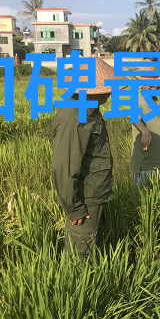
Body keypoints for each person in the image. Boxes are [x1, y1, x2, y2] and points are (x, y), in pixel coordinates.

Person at [51, 58, 121, 261]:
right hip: (85, 201)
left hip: (94, 195)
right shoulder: (76, 117)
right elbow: (63, 167)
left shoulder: (89, 110)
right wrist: (75, 209)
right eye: (107, 86)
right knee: (81, 259)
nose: (111, 91)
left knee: (94, 250)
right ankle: (80, 292)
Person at [131, 74, 160, 186]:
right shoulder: (137, 101)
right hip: (145, 164)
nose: (155, 85)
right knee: (145, 200)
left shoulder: (156, 102)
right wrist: (144, 131)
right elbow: (134, 117)